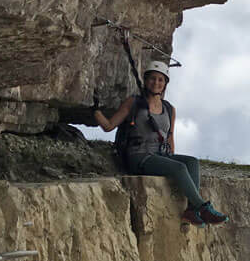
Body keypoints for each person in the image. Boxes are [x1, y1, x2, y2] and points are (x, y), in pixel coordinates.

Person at [93, 60, 229, 226]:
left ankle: (192, 211)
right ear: (146, 80)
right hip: (138, 156)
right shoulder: (134, 102)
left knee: (191, 162)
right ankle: (203, 208)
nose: (156, 83)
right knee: (179, 168)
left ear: (165, 84)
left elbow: (170, 137)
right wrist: (95, 111)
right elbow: (108, 126)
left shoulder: (169, 109)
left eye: (160, 80)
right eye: (152, 78)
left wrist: (169, 159)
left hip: (159, 154)